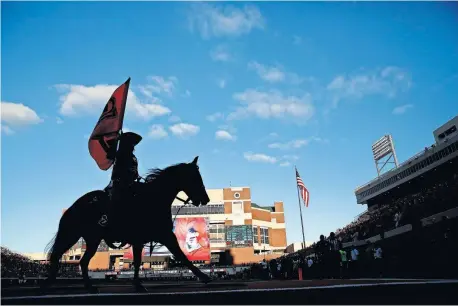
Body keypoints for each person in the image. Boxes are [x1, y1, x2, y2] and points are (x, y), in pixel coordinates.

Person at [100, 132, 142, 227]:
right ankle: (107, 220)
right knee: (116, 200)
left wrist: (137, 176)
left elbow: (134, 171)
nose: (133, 146)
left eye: (133, 144)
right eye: (131, 143)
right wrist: (115, 142)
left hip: (132, 183)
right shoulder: (119, 153)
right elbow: (109, 155)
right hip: (120, 183)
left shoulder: (133, 157)